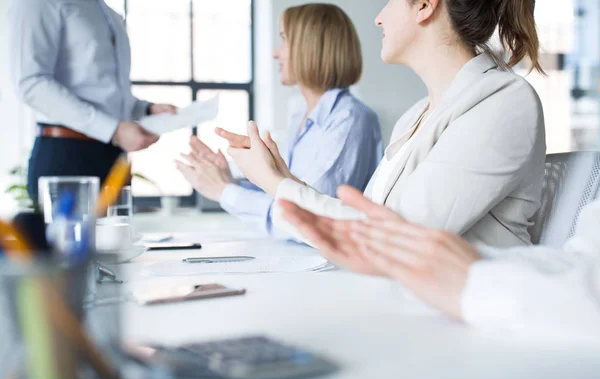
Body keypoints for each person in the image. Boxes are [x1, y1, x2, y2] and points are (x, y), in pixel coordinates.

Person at [216, 0, 547, 248]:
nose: (377, 18)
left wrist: (274, 183)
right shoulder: (417, 114)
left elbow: (396, 239)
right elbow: (366, 218)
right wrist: (280, 175)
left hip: (473, 321)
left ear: (424, 5)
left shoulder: (503, 102)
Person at [277, 185, 600, 340]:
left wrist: (474, 281)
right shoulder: (412, 118)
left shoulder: (501, 102)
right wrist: (405, 255)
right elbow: (580, 262)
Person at [176, 3, 382, 237]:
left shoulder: (351, 119)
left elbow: (309, 217)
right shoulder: (300, 115)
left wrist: (224, 192)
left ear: (310, 47)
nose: (276, 53)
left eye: (284, 39)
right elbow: (286, 192)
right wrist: (229, 181)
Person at [8, 0, 177, 200]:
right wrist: (113, 129)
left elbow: (104, 90)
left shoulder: (106, 12)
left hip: (112, 156)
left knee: (119, 230)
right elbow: (31, 84)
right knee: (65, 232)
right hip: (66, 154)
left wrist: (146, 110)